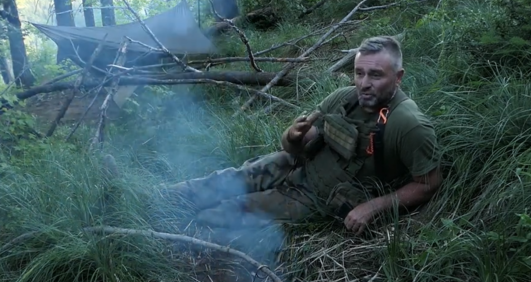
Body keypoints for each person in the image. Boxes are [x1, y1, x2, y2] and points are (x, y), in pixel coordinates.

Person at [164, 36, 442, 235]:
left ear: (399, 76)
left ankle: (169, 228)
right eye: (359, 73)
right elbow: (292, 145)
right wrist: (293, 136)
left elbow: (428, 184)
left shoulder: (408, 124)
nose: (364, 84)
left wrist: (372, 207)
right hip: (296, 164)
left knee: (225, 214)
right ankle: (160, 200)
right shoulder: (344, 99)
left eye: (376, 75)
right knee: (229, 179)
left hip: (317, 197)